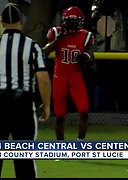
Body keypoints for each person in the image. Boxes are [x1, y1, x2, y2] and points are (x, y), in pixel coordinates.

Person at [0, 3, 51, 179]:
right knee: (24, 157)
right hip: (22, 104)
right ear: (20, 21)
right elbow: (43, 79)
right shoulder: (32, 47)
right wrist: (46, 105)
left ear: (2, 23)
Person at [43, 6, 96, 141]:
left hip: (75, 76)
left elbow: (91, 57)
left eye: (75, 21)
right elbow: (44, 52)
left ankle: (80, 144)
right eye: (70, 21)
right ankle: (61, 147)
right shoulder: (56, 33)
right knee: (60, 116)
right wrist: (57, 40)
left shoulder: (85, 35)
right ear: (64, 21)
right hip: (59, 77)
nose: (73, 24)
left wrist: (86, 57)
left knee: (84, 112)